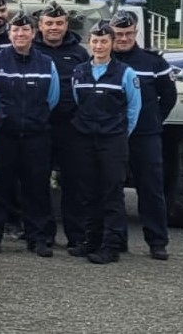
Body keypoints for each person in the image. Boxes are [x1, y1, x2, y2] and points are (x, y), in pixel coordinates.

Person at [0, 12, 60, 257]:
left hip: (36, 136)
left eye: (25, 30)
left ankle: (38, 238)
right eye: (15, 30)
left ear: (34, 34)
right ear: (9, 34)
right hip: (3, 135)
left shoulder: (47, 63)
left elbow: (53, 98)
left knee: (37, 188)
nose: (20, 34)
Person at [71, 22, 142, 264]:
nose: (99, 46)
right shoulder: (79, 71)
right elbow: (76, 101)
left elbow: (134, 108)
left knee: (112, 193)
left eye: (104, 41)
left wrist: (120, 134)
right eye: (95, 41)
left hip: (112, 141)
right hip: (85, 139)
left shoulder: (125, 73)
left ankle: (111, 246)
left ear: (112, 44)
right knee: (88, 193)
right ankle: (91, 241)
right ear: (89, 43)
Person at [106, 11, 174, 260]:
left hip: (144, 135)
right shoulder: (103, 60)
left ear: (135, 33)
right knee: (111, 188)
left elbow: (169, 96)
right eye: (118, 34)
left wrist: (154, 120)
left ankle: (157, 242)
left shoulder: (152, 62)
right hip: (111, 135)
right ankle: (116, 240)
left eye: (128, 33)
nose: (123, 38)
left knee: (151, 189)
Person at [33, 1, 91, 252]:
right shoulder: (31, 50)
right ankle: (42, 235)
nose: (54, 28)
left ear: (66, 24)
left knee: (74, 182)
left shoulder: (79, 52)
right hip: (40, 125)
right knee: (37, 181)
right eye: (49, 23)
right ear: (40, 25)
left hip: (71, 125)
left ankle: (76, 235)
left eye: (59, 23)